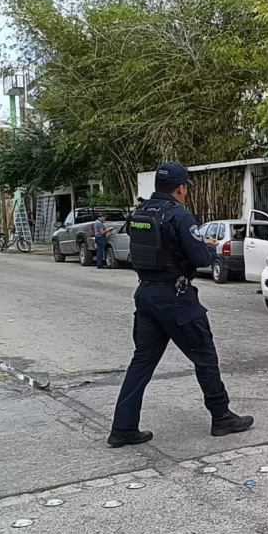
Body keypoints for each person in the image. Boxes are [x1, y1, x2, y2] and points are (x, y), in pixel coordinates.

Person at [107, 162, 253, 448]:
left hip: (146, 293)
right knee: (205, 356)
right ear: (181, 188)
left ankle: (123, 428)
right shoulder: (178, 215)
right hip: (176, 297)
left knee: (142, 362)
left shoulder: (139, 212)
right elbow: (200, 258)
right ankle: (221, 416)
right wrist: (208, 246)